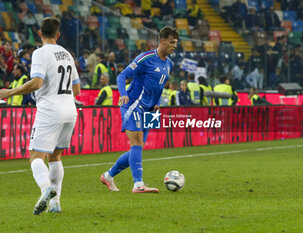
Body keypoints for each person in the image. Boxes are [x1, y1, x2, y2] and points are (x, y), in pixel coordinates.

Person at [0, 17, 81, 215]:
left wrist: (9, 92)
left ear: (39, 33)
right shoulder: (67, 54)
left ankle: (47, 189)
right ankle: (55, 205)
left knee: (35, 156)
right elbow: (77, 89)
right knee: (55, 156)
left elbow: (36, 83)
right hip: (70, 110)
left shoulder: (39, 53)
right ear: (58, 34)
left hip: (50, 110)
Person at [100, 26, 179, 193]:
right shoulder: (146, 58)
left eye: (176, 43)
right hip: (134, 104)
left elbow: (160, 86)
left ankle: (108, 175)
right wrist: (123, 94)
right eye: (172, 42)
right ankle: (138, 184)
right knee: (136, 144)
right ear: (162, 40)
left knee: (139, 147)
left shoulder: (169, 63)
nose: (175, 46)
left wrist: (157, 102)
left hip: (151, 109)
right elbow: (122, 75)